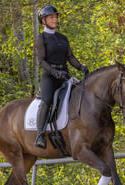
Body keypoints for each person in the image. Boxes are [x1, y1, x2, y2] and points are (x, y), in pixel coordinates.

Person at [34, 4, 89, 149]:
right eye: (52, 17)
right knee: (46, 101)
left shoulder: (63, 38)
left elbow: (70, 57)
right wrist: (54, 72)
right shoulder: (41, 39)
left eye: (56, 17)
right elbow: (41, 61)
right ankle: (40, 135)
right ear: (43, 20)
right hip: (50, 77)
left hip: (65, 76)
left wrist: (81, 67)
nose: (55, 19)